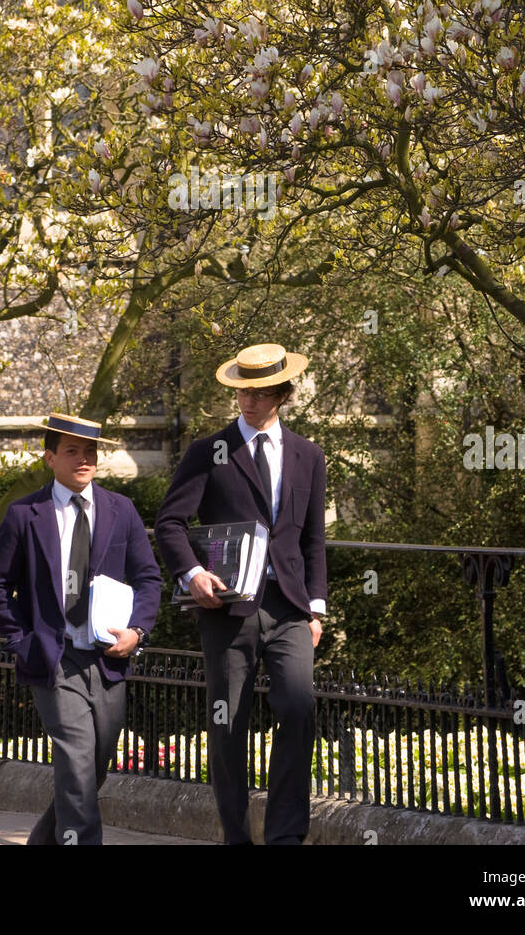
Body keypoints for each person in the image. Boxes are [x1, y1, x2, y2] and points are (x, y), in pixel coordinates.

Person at [155, 342, 327, 846]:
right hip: (226, 608)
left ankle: (285, 839)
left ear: (281, 392)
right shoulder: (208, 451)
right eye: (241, 391)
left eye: (258, 392)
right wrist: (192, 574)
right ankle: (237, 839)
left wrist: (315, 610)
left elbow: (313, 539)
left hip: (291, 609)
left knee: (298, 710)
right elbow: (169, 523)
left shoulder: (309, 455)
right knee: (228, 726)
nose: (247, 401)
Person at [0, 412, 162, 846]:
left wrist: (137, 632)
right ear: (50, 458)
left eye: (90, 452)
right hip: (55, 657)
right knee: (77, 760)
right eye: (72, 452)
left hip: (108, 657)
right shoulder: (25, 514)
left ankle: (44, 840)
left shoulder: (122, 510)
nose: (84, 460)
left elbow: (148, 579)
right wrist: (21, 642)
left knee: (93, 768)